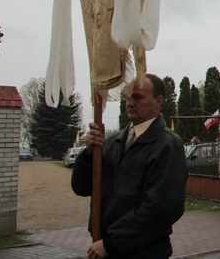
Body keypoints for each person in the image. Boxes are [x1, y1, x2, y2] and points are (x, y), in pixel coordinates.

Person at [71, 74, 188, 259]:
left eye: (138, 97)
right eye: (128, 97)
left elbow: (159, 208)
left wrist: (111, 243)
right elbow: (82, 188)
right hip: (104, 249)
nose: (130, 103)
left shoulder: (167, 145)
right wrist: (88, 154)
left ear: (158, 101)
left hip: (144, 252)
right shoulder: (112, 142)